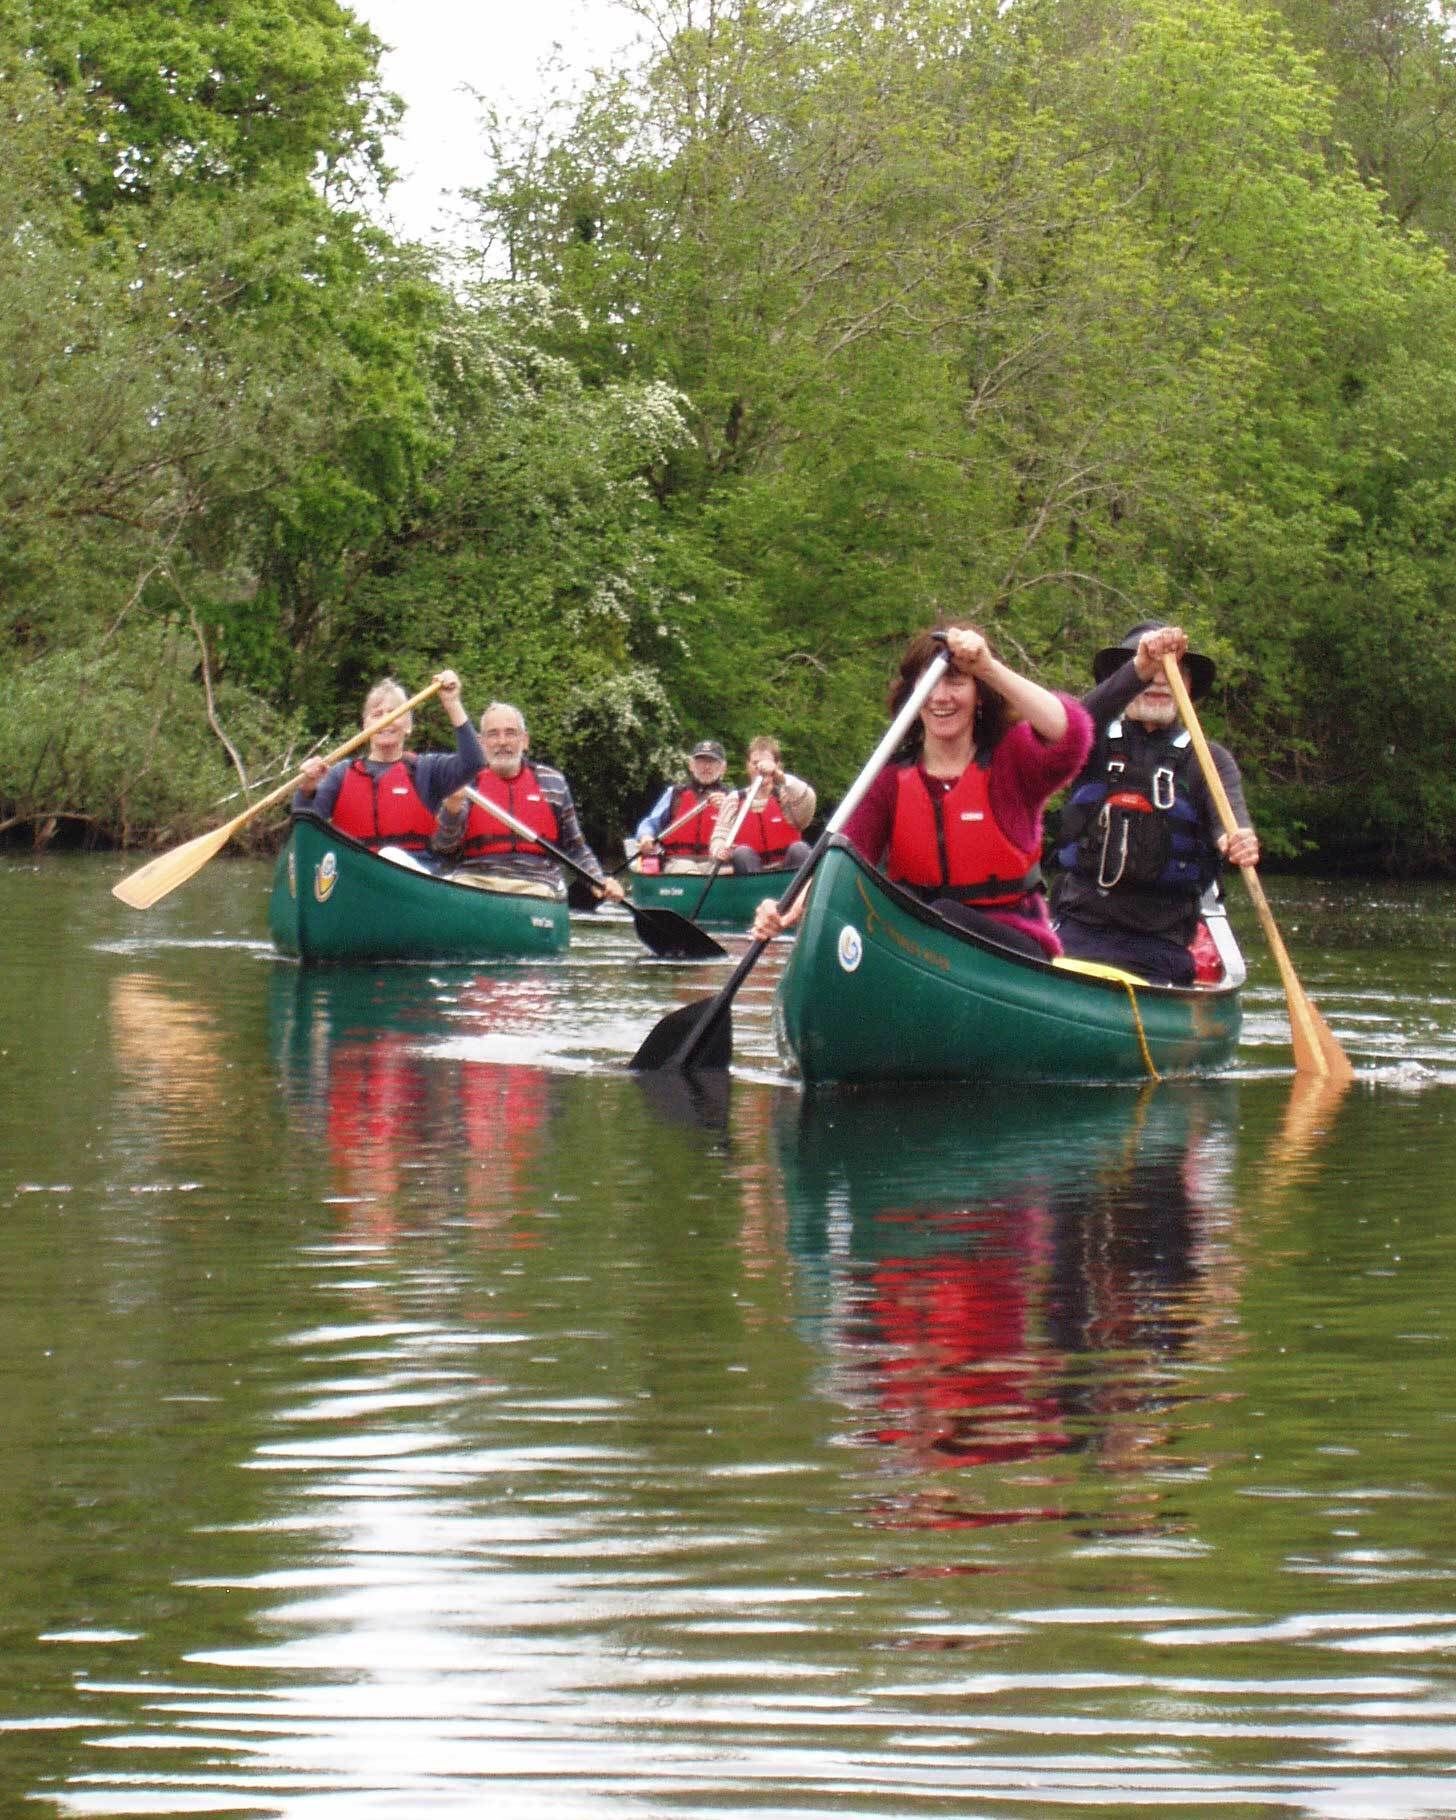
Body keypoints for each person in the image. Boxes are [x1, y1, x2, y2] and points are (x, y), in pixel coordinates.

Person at [752, 624, 1091, 957]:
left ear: (979, 695)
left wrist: (988, 668)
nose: (940, 697)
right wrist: (787, 908)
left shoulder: (1012, 759)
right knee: (862, 922)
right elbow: (841, 856)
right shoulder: (889, 779)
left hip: (1010, 944)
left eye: (955, 681)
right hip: (915, 942)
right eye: (929, 683)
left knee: (942, 913)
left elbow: (1070, 733)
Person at [1050, 622, 1259, 985]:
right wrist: (1137, 670)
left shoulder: (1209, 760)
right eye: (1150, 672)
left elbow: (1231, 821)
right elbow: (1069, 724)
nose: (1159, 682)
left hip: (1160, 944)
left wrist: (1237, 839)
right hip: (1077, 931)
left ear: (1187, 687)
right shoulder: (1088, 741)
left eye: (1173, 672)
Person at [430, 701, 626, 902]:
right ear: (481, 743)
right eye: (493, 734)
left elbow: (576, 848)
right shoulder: (466, 783)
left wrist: (598, 879)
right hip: (475, 880)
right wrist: (451, 808)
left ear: (525, 741)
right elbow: (444, 848)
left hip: (536, 884)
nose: (502, 742)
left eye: (510, 733)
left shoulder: (552, 782)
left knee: (540, 894)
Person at [292, 671, 484, 853]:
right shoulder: (340, 774)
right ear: (365, 726)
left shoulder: (426, 770)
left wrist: (452, 703)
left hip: (410, 868)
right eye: (377, 714)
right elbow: (306, 829)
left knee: (392, 854)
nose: (386, 720)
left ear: (408, 726)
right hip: (353, 867)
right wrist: (307, 789)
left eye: (395, 713)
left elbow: (474, 761)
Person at [710, 736, 816, 875]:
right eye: (755, 763)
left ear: (777, 765)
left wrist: (779, 775)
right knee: (741, 853)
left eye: (766, 764)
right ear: (748, 766)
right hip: (751, 872)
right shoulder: (734, 800)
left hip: (788, 871)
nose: (760, 768)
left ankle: (802, 887)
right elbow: (719, 836)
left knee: (800, 848)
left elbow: (808, 798)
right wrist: (718, 850)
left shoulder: (787, 797)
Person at [633, 740, 730, 873]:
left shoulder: (732, 798)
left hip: (715, 861)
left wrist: (728, 807)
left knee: (726, 872)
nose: (706, 767)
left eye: (712, 762)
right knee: (689, 871)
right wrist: (646, 837)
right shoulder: (675, 794)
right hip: (677, 860)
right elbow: (650, 824)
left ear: (723, 768)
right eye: (701, 761)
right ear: (691, 765)